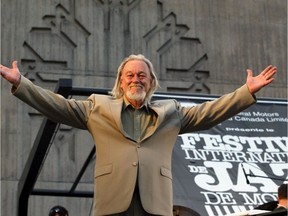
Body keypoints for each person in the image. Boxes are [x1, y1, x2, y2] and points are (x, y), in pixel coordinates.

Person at [0, 54, 277, 216]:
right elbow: (57, 106)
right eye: (130, 75)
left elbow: (210, 113)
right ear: (121, 81)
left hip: (154, 206)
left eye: (142, 75)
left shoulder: (171, 112)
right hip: (112, 204)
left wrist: (246, 92)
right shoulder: (98, 107)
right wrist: (21, 84)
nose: (136, 79)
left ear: (151, 81)